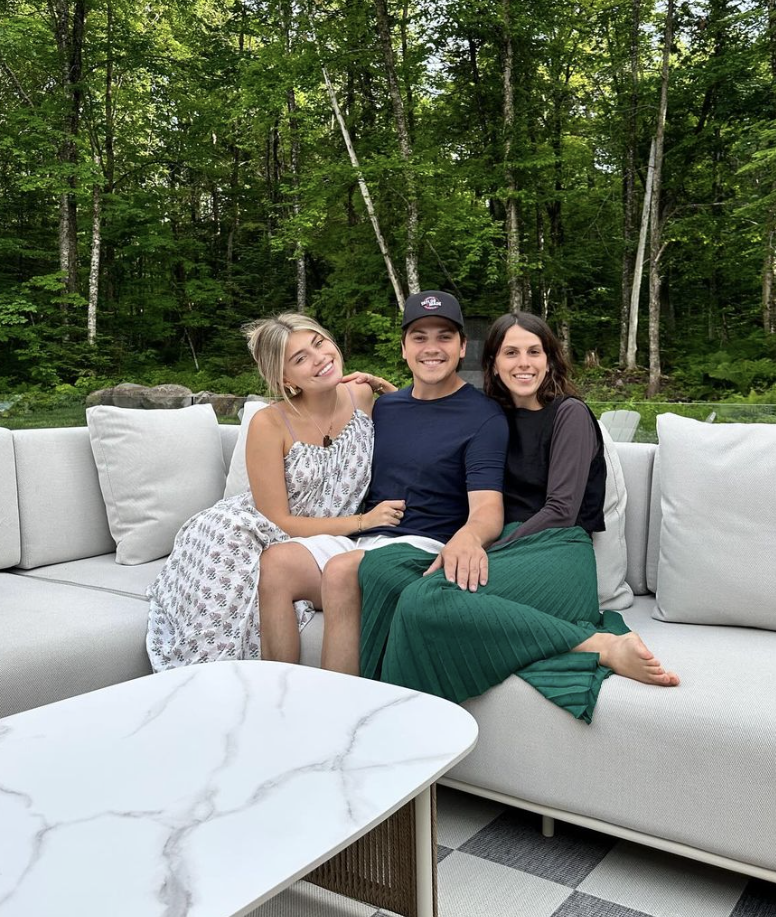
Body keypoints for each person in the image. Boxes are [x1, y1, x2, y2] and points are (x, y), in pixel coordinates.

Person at [365, 311, 679, 723]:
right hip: (503, 548)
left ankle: (594, 643)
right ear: (493, 361)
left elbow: (561, 510)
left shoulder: (569, 414)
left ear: (550, 358)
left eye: (534, 351)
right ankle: (365, 710)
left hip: (557, 551)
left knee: (425, 600)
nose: (524, 363)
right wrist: (397, 398)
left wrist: (479, 545)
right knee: (380, 572)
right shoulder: (489, 416)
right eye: (511, 353)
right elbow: (438, 422)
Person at [146, 312, 404, 670]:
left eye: (319, 343)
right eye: (300, 359)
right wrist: (362, 521)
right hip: (244, 531)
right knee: (218, 638)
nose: (319, 359)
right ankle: (224, 691)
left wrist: (387, 389)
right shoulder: (269, 422)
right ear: (285, 377)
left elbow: (411, 431)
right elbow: (278, 519)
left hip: (319, 538)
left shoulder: (360, 394)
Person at [289, 290, 510, 675]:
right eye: (419, 337)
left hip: (425, 545)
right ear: (404, 348)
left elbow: (488, 510)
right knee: (277, 561)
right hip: (367, 537)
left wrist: (469, 537)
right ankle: (277, 694)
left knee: (342, 571)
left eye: (444, 336)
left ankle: (335, 711)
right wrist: (375, 385)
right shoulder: (386, 407)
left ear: (462, 347)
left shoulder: (484, 417)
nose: (432, 348)